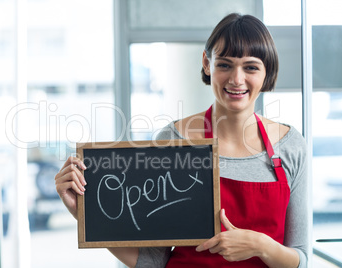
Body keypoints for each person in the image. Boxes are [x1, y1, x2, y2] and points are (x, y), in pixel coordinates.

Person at [55, 13, 308, 268]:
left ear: (267, 71)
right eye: (225, 65)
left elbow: (301, 259)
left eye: (251, 67)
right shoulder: (173, 140)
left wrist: (260, 246)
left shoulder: (291, 146)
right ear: (207, 64)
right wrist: (84, 212)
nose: (236, 79)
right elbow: (152, 261)